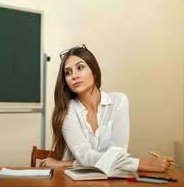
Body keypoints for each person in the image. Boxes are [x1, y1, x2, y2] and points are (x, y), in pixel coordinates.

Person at [40, 44, 174, 172]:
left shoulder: (119, 101)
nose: (74, 75)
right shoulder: (67, 111)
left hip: (109, 178)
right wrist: (140, 163)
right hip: (73, 180)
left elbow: (116, 153)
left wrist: (65, 163)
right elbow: (86, 157)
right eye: (68, 73)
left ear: (95, 72)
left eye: (80, 68)